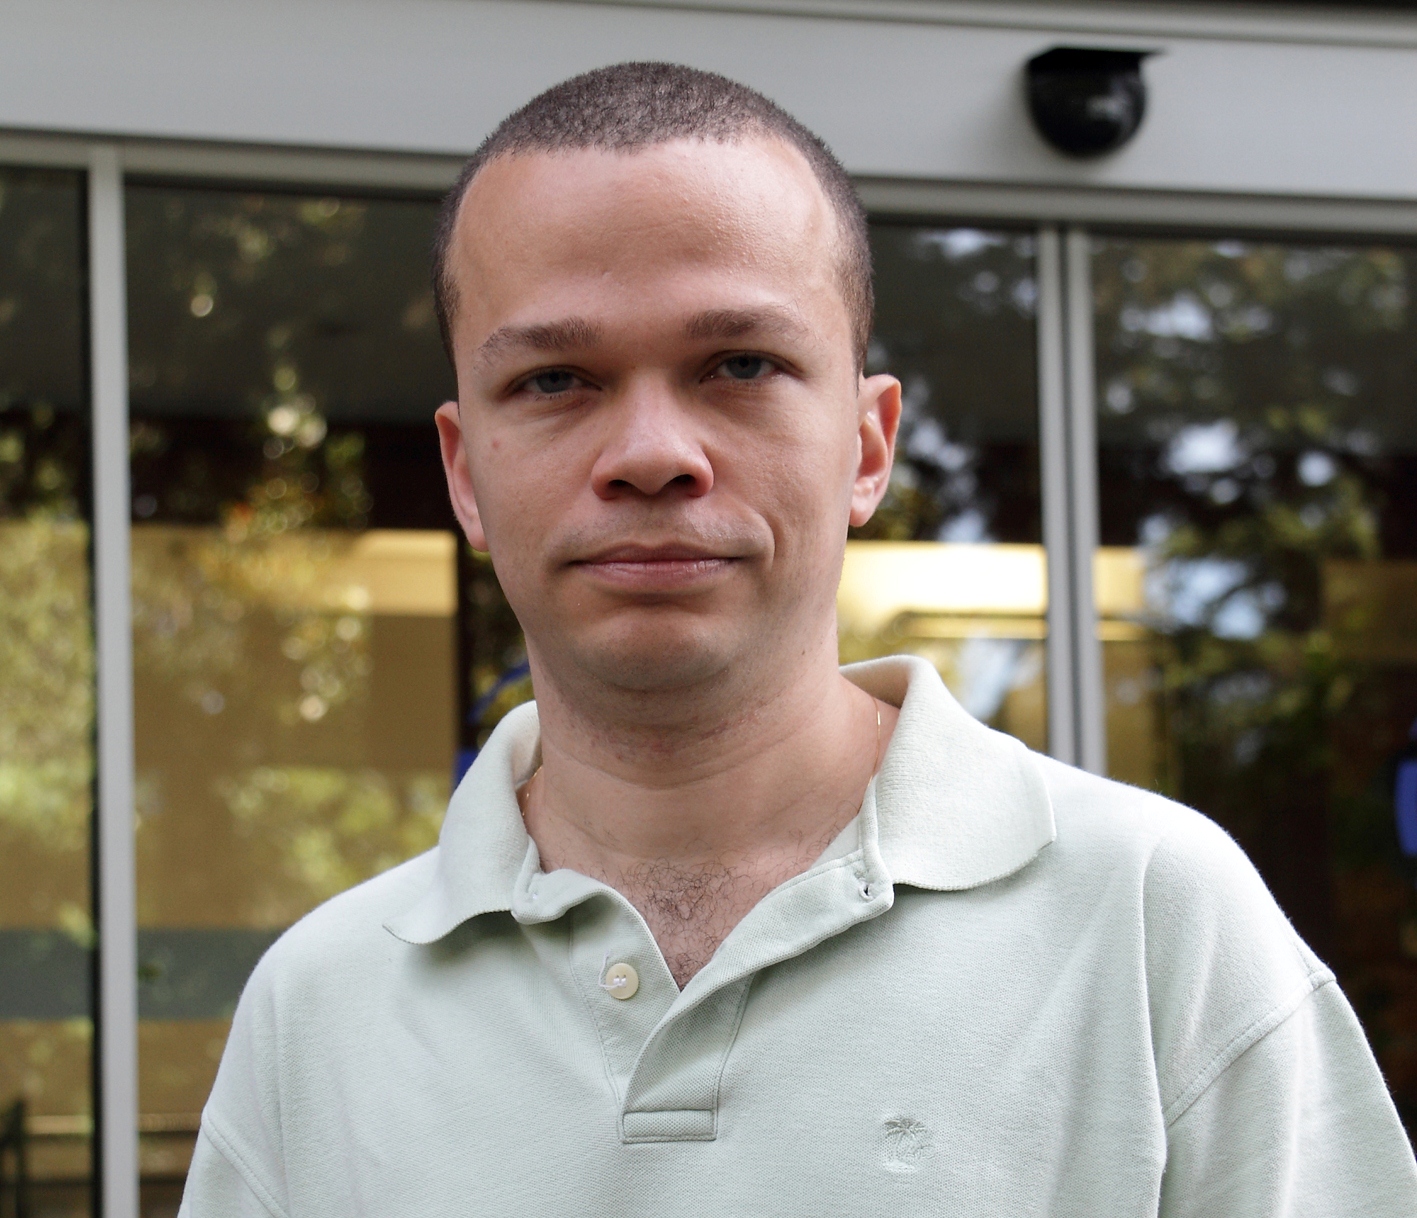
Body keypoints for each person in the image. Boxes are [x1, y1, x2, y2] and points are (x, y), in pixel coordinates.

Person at [178, 63, 1417, 1216]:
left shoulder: (1154, 921)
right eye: (555, 380)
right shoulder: (318, 1006)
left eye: (738, 363)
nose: (652, 454)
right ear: (464, 474)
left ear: (867, 448)